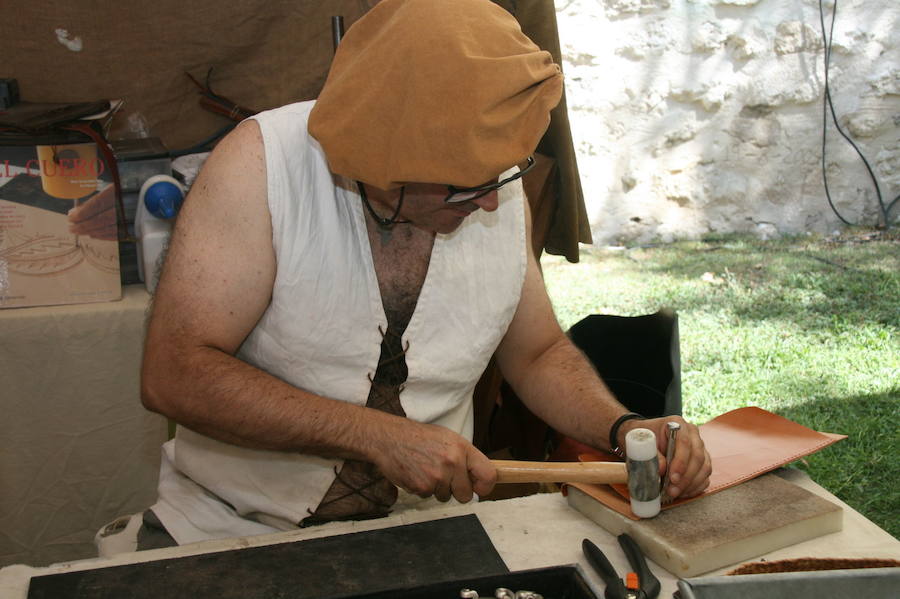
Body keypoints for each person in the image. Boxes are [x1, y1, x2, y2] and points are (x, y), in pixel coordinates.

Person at [137, 0, 711, 547]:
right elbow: (175, 373)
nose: (490, 205)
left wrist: (625, 428)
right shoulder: (262, 166)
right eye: (465, 183)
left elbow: (536, 353)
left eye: (499, 178)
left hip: (425, 532)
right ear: (382, 156)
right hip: (233, 529)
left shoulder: (491, 184)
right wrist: (374, 434)